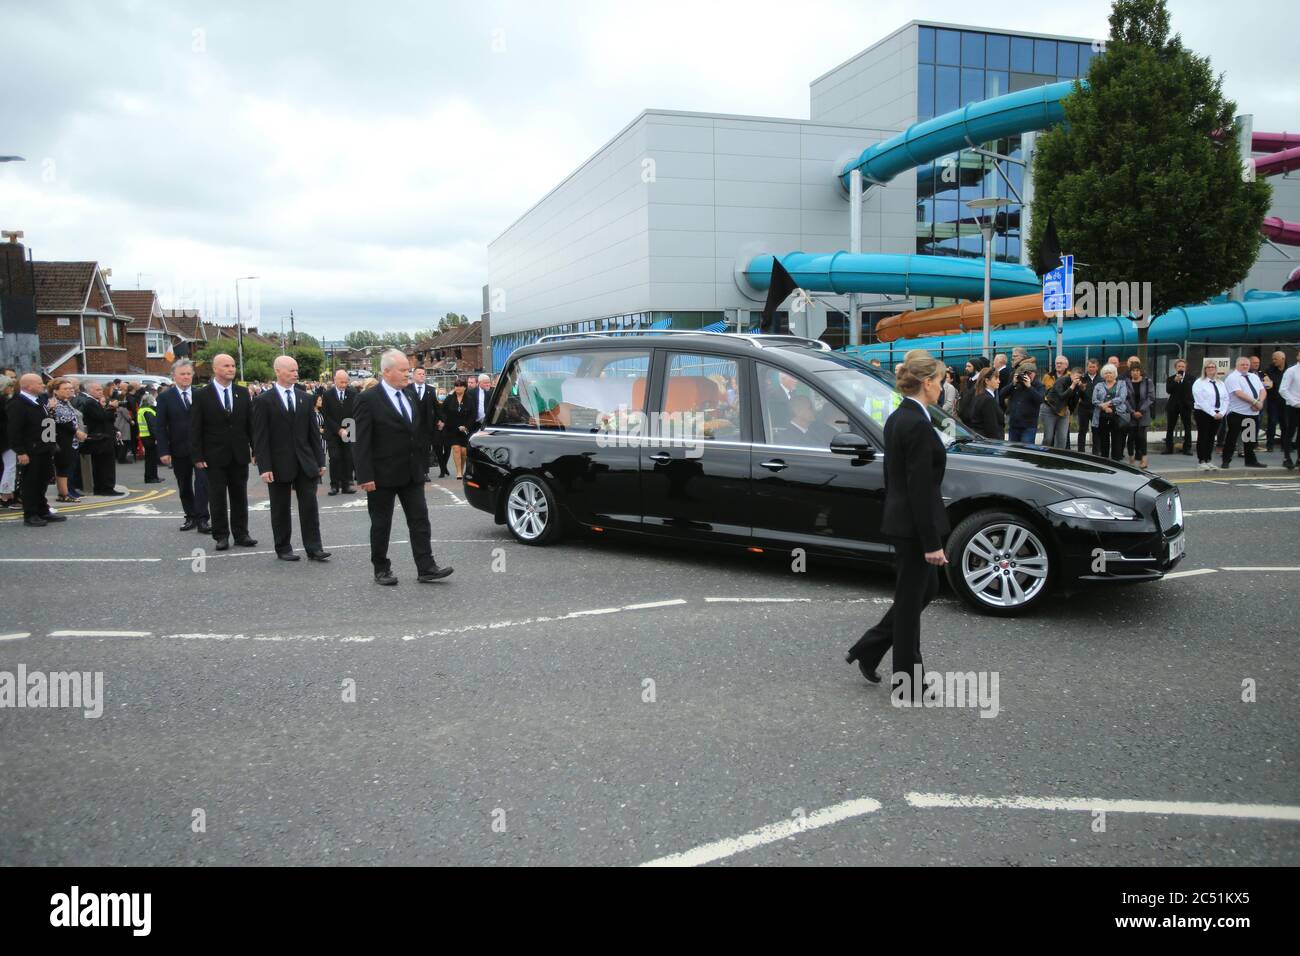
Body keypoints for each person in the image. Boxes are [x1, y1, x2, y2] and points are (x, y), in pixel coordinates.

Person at [844, 351, 949, 699]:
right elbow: (917, 488)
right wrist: (931, 541)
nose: (943, 385)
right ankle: (908, 683)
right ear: (926, 382)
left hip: (904, 522)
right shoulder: (916, 423)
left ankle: (869, 647)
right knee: (910, 604)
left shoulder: (900, 417)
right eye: (940, 379)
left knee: (923, 591)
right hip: (913, 527)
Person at [352, 349, 454, 586]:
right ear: (386, 371)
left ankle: (426, 567)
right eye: (403, 370)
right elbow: (360, 440)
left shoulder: (409, 395)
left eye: (408, 370)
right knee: (381, 523)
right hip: (381, 474)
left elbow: (415, 432)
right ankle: (381, 568)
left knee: (420, 520)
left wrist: (425, 462)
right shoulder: (367, 399)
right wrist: (364, 474)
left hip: (412, 472)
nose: (407, 374)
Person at [252, 356, 330, 562]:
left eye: (297, 370)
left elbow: (313, 433)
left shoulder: (305, 397)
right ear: (278, 371)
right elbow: (260, 437)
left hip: (305, 462)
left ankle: (314, 547)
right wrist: (264, 466)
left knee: (309, 507)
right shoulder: (263, 400)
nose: (296, 373)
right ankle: (283, 547)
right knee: (280, 508)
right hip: (278, 464)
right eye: (291, 370)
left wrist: (320, 460)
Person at [192, 352, 257, 550]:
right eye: (226, 366)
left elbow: (250, 424)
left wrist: (256, 449)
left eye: (233, 365)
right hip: (214, 456)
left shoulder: (242, 392)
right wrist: (197, 455)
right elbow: (195, 427)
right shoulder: (202, 395)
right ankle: (221, 535)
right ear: (215, 369)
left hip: (238, 454)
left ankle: (241, 534)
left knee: (240, 496)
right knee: (217, 497)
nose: (231, 369)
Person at [155, 359, 211, 533]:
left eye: (189, 374)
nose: (186, 377)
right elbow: (160, 426)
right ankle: (191, 516)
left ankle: (203, 519)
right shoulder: (165, 397)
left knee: (202, 483)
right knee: (184, 484)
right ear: (174, 376)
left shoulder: (201, 394)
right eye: (182, 374)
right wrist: (163, 451)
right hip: (178, 448)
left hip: (201, 449)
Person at [5, 373, 67, 526]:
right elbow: (14, 430)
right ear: (28, 386)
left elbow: (47, 422)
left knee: (42, 480)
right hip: (30, 450)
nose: (43, 385)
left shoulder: (39, 400)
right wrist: (20, 451)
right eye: (39, 383)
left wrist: (51, 444)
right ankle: (30, 514)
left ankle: (42, 509)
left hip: (43, 448)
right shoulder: (18, 403)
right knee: (30, 482)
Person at [1221, 356, 1266, 469]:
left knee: (1249, 439)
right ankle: (1226, 460)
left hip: (1252, 413)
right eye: (1242, 364)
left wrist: (1260, 402)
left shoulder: (1254, 376)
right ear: (1237, 365)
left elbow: (1262, 390)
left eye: (1247, 364)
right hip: (1237, 412)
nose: (1245, 366)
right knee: (1232, 437)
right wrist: (1255, 402)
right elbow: (1238, 393)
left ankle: (1250, 460)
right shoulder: (1233, 377)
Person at [81, 382, 122, 495]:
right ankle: (105, 488)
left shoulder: (95, 402)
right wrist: (111, 408)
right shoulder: (90, 403)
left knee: (105, 464)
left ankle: (104, 487)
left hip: (105, 437)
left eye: (100, 389)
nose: (100, 391)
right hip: (100, 438)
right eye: (97, 389)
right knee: (104, 465)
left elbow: (108, 419)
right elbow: (102, 417)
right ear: (89, 391)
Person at [321, 369, 357, 495]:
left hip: (349, 428)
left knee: (349, 457)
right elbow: (326, 415)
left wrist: (347, 429)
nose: (343, 385)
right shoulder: (327, 395)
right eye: (341, 382)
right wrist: (338, 430)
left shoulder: (353, 393)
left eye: (345, 382)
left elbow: (355, 412)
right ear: (335, 380)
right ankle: (334, 485)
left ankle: (347, 484)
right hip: (333, 431)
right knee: (335, 458)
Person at [49, 378, 85, 501]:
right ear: (55, 391)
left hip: (71, 440)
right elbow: (62, 422)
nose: (70, 391)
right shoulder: (54, 403)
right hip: (62, 440)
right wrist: (76, 431)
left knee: (69, 466)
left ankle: (68, 491)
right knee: (63, 466)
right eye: (65, 389)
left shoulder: (66, 402)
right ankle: (64, 493)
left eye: (71, 388)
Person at [1192, 359, 1228, 470]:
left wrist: (1222, 412)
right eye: (1209, 367)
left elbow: (1226, 399)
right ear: (1205, 370)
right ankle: (1201, 460)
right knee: (1203, 435)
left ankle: (1208, 459)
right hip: (1203, 413)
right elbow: (1201, 401)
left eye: (1213, 367)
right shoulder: (1199, 383)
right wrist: (1212, 413)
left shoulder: (1220, 383)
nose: (1211, 369)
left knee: (1212, 437)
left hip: (1218, 413)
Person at [404, 366, 439, 482]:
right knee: (413, 449)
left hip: (426, 424)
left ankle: (424, 472)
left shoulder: (431, 390)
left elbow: (436, 406)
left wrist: (441, 419)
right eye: (419, 374)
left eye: (423, 374)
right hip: (412, 424)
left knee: (425, 449)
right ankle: (412, 471)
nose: (422, 376)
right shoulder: (407, 389)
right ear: (413, 376)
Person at [1091, 363, 1130, 462]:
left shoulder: (1121, 384)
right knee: (1104, 439)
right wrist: (1103, 407)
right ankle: (1105, 461)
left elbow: (1122, 398)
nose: (1108, 375)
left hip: (1117, 414)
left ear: (1115, 374)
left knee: (1117, 439)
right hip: (1102, 415)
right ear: (1103, 374)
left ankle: (1116, 460)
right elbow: (1094, 400)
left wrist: (1108, 403)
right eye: (1106, 373)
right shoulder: (1099, 385)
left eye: (1111, 373)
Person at [999, 359, 1044, 443]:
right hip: (1014, 424)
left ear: (1034, 373)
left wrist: (1030, 387)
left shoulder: (1038, 385)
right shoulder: (1016, 384)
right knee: (1013, 450)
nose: (1028, 375)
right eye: (1025, 373)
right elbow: (1001, 394)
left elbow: (1040, 400)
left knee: (1026, 451)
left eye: (1030, 373)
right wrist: (1013, 384)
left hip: (1029, 425)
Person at [1039, 355, 1076, 449]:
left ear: (1066, 365)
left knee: (1062, 439)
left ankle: (1059, 460)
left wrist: (1071, 408)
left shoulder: (1071, 377)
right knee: (1048, 438)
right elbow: (1042, 390)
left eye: (1061, 363)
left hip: (1064, 410)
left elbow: (1075, 394)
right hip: (1049, 409)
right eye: (1057, 363)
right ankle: (1043, 457)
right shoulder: (1047, 376)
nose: (1058, 365)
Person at [441, 378, 474, 479]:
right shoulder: (449, 398)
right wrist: (445, 422)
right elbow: (443, 412)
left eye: (460, 386)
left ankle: (462, 468)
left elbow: (472, 414)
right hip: (452, 428)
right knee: (456, 449)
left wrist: (466, 426)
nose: (458, 388)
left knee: (464, 451)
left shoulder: (469, 399)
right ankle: (458, 472)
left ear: (464, 387)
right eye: (456, 386)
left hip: (465, 429)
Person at [1125, 361, 1154, 469]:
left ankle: (1144, 459)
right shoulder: (1126, 382)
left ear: (1141, 371)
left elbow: (1150, 398)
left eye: (1137, 370)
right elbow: (1125, 398)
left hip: (1143, 413)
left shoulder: (1147, 382)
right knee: (1131, 437)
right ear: (1130, 372)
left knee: (1142, 437)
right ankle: (1131, 458)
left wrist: (1141, 411)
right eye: (1133, 371)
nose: (1135, 373)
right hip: (1131, 413)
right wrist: (1132, 412)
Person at [1163, 358, 1194, 455]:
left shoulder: (1191, 378)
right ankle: (1169, 448)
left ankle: (1187, 448)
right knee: (1170, 427)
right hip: (1173, 405)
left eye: (1183, 366)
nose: (1181, 368)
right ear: (1176, 368)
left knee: (1187, 427)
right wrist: (1175, 381)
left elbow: (1191, 391)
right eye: (1179, 366)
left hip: (1186, 405)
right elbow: (1169, 390)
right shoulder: (1171, 378)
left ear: (1186, 368)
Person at [966, 367, 1004, 440]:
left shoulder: (979, 396)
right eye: (996, 378)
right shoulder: (988, 400)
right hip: (989, 442)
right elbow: (992, 427)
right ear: (987, 381)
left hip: (980, 439)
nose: (999, 381)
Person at [1262, 351, 1288, 453]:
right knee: (1272, 422)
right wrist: (1266, 381)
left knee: (1285, 423)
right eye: (1272, 359)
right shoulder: (1269, 370)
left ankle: (1285, 444)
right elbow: (1262, 379)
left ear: (1283, 359)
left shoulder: (1289, 370)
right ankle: (1270, 445)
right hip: (1273, 400)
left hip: (1285, 401)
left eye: (1275, 359)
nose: (1273, 361)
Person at [1279, 348, 1300, 470]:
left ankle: (1299, 458)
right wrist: (1294, 403)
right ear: (1297, 357)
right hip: (1293, 407)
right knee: (1290, 432)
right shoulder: (1291, 371)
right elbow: (1283, 389)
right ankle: (1287, 458)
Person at [137, 391, 162, 482]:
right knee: (151, 459)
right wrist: (157, 438)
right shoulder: (148, 411)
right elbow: (152, 426)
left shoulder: (141, 410)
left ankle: (152, 477)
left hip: (145, 436)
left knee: (149, 458)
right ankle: (151, 477)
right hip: (149, 437)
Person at [0, 373, 15, 509]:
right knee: (10, 466)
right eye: (10, 386)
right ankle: (6, 494)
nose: (11, 389)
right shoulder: (5, 401)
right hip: (6, 439)